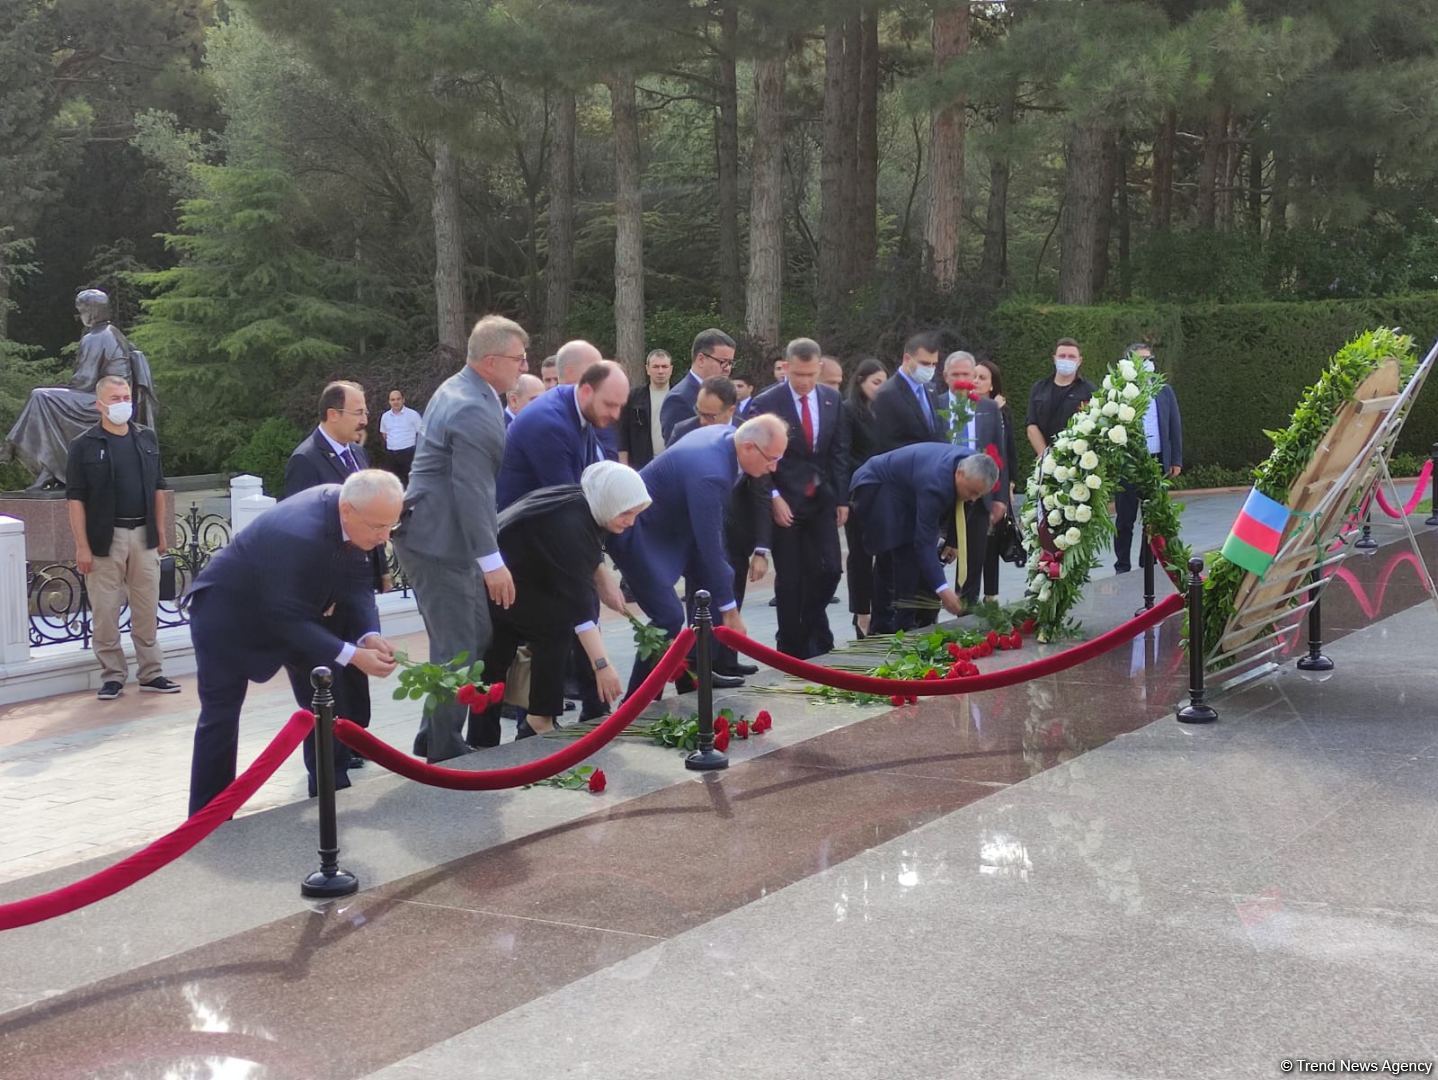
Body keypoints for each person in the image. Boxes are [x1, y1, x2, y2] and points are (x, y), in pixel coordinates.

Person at [187, 471, 402, 814]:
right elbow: (283, 617)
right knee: (220, 717)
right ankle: (208, 817)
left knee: (326, 698)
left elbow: (358, 580)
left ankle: (332, 793)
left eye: (391, 526)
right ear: (347, 510)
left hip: (295, 614)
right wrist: (352, 655)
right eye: (378, 527)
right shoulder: (298, 531)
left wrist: (368, 635)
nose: (384, 537)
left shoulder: (355, 512)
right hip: (229, 617)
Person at [393, 315, 526, 762]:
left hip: (441, 537)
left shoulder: (463, 388)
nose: (524, 366)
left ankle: (431, 736)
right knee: (459, 648)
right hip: (439, 542)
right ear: (490, 361)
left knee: (473, 635)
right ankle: (445, 751)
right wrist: (493, 562)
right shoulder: (472, 406)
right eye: (518, 358)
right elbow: (472, 489)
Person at [465, 462, 651, 740]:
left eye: (635, 513)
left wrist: (603, 577)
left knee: (497, 657)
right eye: (626, 513)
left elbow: (584, 558)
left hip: (511, 577)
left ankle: (482, 738)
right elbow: (581, 609)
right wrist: (602, 666)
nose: (631, 522)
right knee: (556, 629)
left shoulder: (585, 501)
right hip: (502, 579)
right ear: (609, 502)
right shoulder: (572, 523)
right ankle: (538, 719)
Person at [608, 415, 787, 694]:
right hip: (638, 532)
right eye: (772, 459)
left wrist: (724, 600)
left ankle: (693, 673)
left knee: (711, 586)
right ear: (749, 447)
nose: (773, 467)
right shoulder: (711, 472)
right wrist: (731, 612)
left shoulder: (729, 438)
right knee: (668, 617)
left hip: (677, 526)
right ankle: (638, 699)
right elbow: (710, 545)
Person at [282, 380, 386, 756]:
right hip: (325, 588)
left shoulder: (357, 455)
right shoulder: (306, 460)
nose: (364, 420)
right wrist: (318, 588)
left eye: (365, 412)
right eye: (358, 412)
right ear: (332, 414)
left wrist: (379, 567)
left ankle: (357, 739)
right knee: (333, 668)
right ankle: (334, 755)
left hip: (356, 579)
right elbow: (301, 531)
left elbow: (372, 514)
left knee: (358, 662)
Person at [64, 375, 178, 701]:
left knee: (146, 608)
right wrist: (82, 546)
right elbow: (75, 499)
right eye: (115, 398)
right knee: (105, 611)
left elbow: (158, 487)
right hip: (105, 538)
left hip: (143, 535)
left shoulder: (146, 438)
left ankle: (151, 673)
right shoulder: (84, 445)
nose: (123, 404)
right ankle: (113, 676)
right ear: (99, 404)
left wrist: (161, 532)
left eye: (126, 397)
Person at [747, 338, 851, 659]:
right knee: (791, 580)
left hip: (820, 499)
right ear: (786, 367)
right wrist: (774, 497)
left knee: (830, 570)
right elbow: (756, 458)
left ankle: (810, 626)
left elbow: (839, 451)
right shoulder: (767, 403)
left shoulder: (832, 399)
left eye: (810, 374)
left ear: (819, 368)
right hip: (785, 501)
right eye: (798, 375)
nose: (804, 382)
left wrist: (841, 499)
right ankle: (792, 647)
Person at [4, 289, 157, 490]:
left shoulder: (96, 337)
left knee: (41, 397)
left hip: (100, 401)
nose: (81, 316)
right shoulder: (113, 332)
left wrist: (60, 388)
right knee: (44, 399)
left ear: (92, 311)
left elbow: (85, 381)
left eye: (82, 310)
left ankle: (20, 452)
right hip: (115, 398)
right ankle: (45, 468)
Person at [850, 446, 1000, 635]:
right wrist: (943, 590)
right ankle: (885, 628)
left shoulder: (973, 464)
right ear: (959, 474)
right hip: (877, 485)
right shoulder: (936, 484)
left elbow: (964, 504)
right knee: (895, 552)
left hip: (906, 489)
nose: (973, 498)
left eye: (979, 494)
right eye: (972, 492)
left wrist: (953, 540)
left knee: (908, 558)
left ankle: (902, 624)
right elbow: (924, 543)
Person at [498, 361, 628, 508]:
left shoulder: (579, 407)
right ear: (586, 391)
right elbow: (568, 502)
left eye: (620, 406)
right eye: (609, 405)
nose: (616, 415)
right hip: (525, 519)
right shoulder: (549, 424)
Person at [941, 351, 1011, 609]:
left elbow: (999, 454)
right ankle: (925, 619)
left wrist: (1000, 498)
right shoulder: (934, 405)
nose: (961, 379)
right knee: (935, 558)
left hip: (979, 496)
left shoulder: (989, 408)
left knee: (973, 565)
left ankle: (966, 615)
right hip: (942, 493)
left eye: (966, 374)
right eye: (956, 374)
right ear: (945, 376)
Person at [1113, 343, 1184, 574]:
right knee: (1125, 518)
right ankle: (1122, 565)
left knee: (1152, 517)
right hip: (1128, 463)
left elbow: (1174, 426)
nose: (1147, 364)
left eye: (1149, 359)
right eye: (1141, 360)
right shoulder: (1119, 391)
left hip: (1156, 462)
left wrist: (1175, 460)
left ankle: (1149, 563)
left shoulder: (1164, 390)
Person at [843, 358, 888, 635]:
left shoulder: (886, 411)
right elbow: (844, 452)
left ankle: (881, 609)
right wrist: (868, 472)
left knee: (884, 553)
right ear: (860, 381)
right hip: (859, 492)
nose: (881, 388)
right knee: (860, 555)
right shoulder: (848, 411)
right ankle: (861, 612)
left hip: (886, 492)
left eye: (884, 383)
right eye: (875, 382)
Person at [974, 357, 1020, 602]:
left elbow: (1008, 450)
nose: (976, 381)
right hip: (969, 481)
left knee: (991, 539)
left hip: (994, 483)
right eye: (974, 376)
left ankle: (991, 595)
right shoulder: (963, 407)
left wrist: (1009, 484)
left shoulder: (1001, 411)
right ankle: (966, 597)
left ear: (992, 385)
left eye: (982, 378)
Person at [870, 330, 948, 453]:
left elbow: (935, 431)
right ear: (907, 359)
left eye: (934, 364)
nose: (930, 368)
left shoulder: (930, 389)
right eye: (924, 363)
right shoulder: (887, 394)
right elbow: (886, 443)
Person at [659, 329, 736, 442]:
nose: (727, 369)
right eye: (723, 362)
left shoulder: (729, 395)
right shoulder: (678, 399)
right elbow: (678, 448)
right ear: (701, 359)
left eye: (730, 363)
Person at [1026, 337, 1096, 456]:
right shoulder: (1039, 388)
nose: (1066, 360)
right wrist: (1045, 456)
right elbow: (1032, 425)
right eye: (1062, 356)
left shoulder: (1089, 391)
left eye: (1071, 357)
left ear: (1079, 361)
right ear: (1054, 359)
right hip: (1044, 458)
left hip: (1076, 458)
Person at [618, 349, 672, 468]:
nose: (660, 371)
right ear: (647, 369)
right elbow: (623, 434)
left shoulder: (678, 397)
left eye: (664, 366)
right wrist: (624, 466)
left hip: (672, 462)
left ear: (671, 369)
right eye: (655, 367)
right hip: (641, 464)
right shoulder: (633, 397)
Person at [666, 375, 737, 446]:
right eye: (699, 412)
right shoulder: (683, 432)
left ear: (731, 411)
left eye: (709, 416)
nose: (702, 421)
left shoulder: (742, 433)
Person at [378, 389, 423, 484]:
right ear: (389, 402)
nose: (396, 402)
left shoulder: (413, 415)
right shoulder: (385, 416)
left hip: (408, 454)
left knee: (410, 481)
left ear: (403, 400)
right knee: (393, 482)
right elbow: (384, 434)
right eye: (393, 399)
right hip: (391, 455)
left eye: (398, 399)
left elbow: (421, 433)